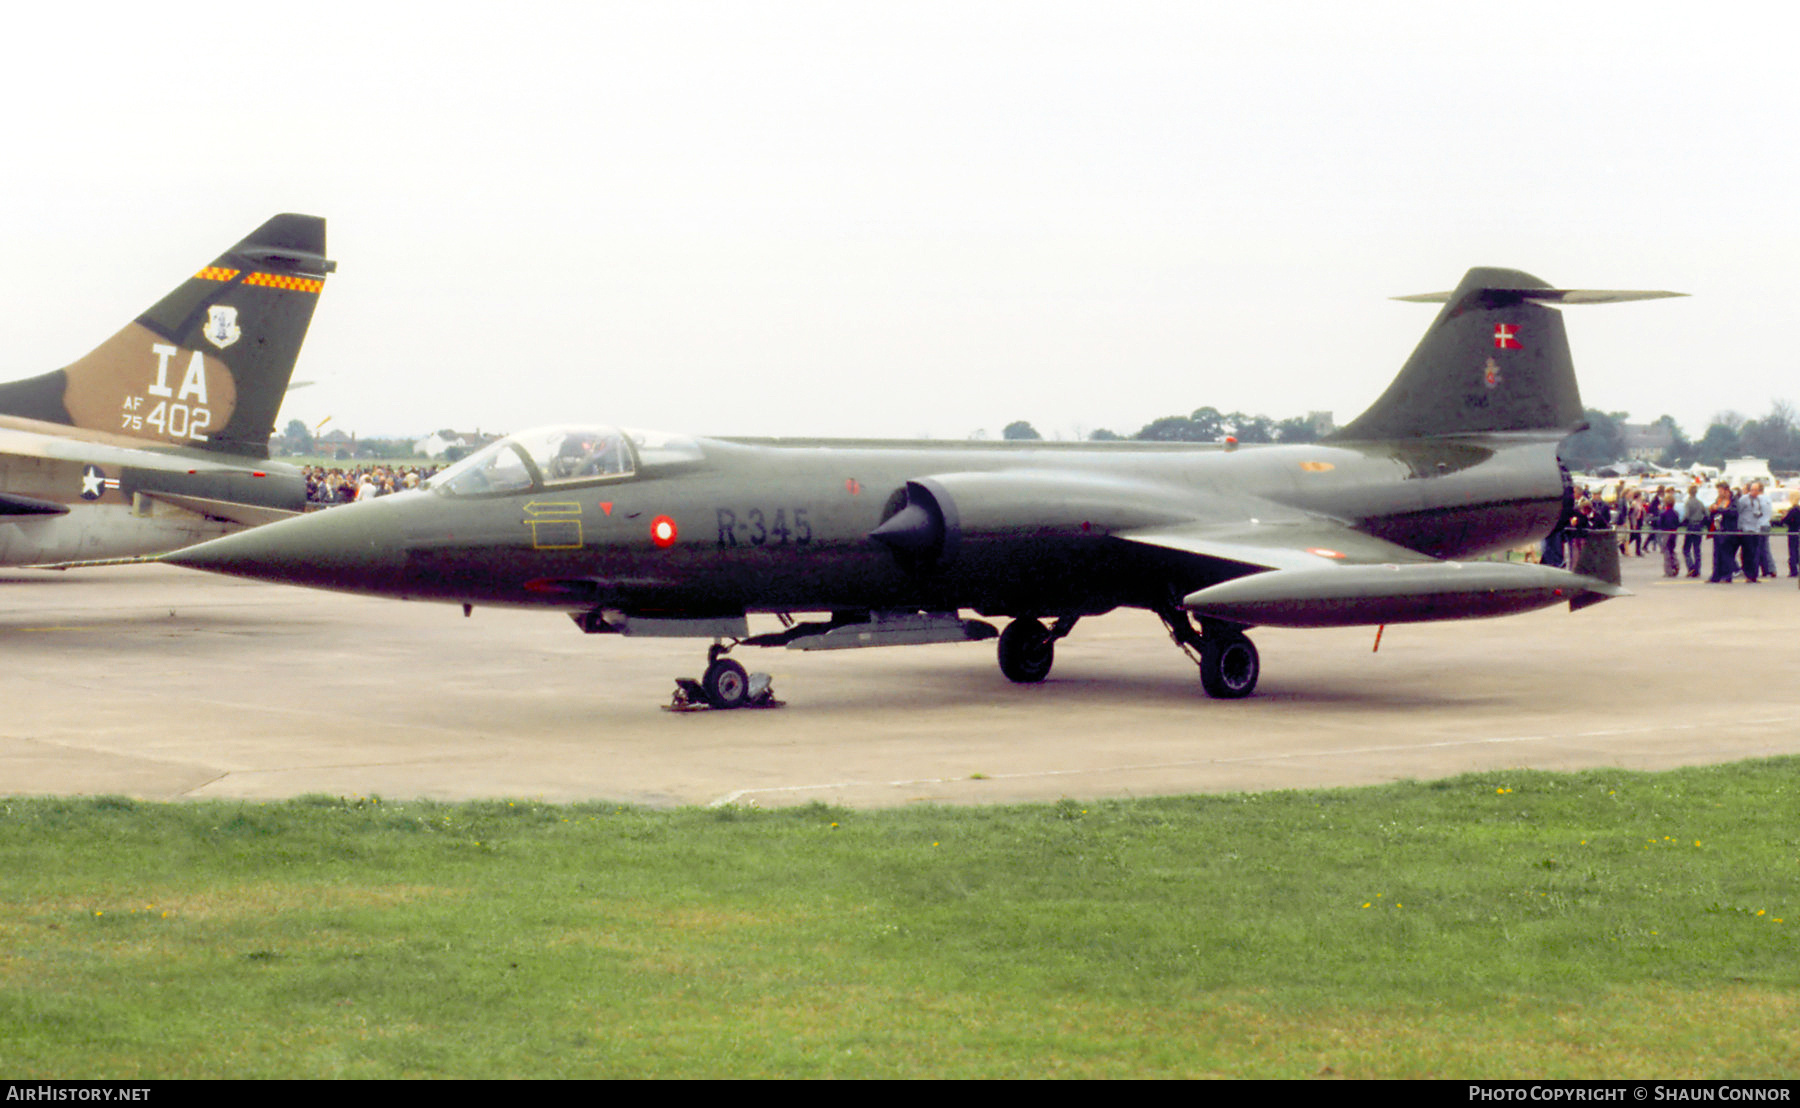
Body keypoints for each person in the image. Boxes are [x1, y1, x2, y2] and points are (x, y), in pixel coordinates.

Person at [1708, 483, 1738, 583]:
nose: (1719, 493)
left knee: (1727, 555)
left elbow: (1733, 512)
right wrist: (1712, 509)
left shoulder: (1733, 500)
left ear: (1726, 491)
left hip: (1728, 530)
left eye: (1720, 491)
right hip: (1718, 530)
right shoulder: (1718, 500)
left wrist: (1719, 509)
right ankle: (1716, 575)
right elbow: (1715, 512)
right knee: (1717, 554)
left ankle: (1727, 576)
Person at [1681, 484, 1708, 577]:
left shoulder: (1688, 502)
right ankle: (1697, 569)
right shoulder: (1700, 502)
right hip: (1699, 526)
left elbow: (1687, 515)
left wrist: (1682, 522)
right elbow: (1706, 513)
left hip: (1691, 526)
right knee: (1697, 549)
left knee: (1686, 548)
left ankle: (1691, 567)